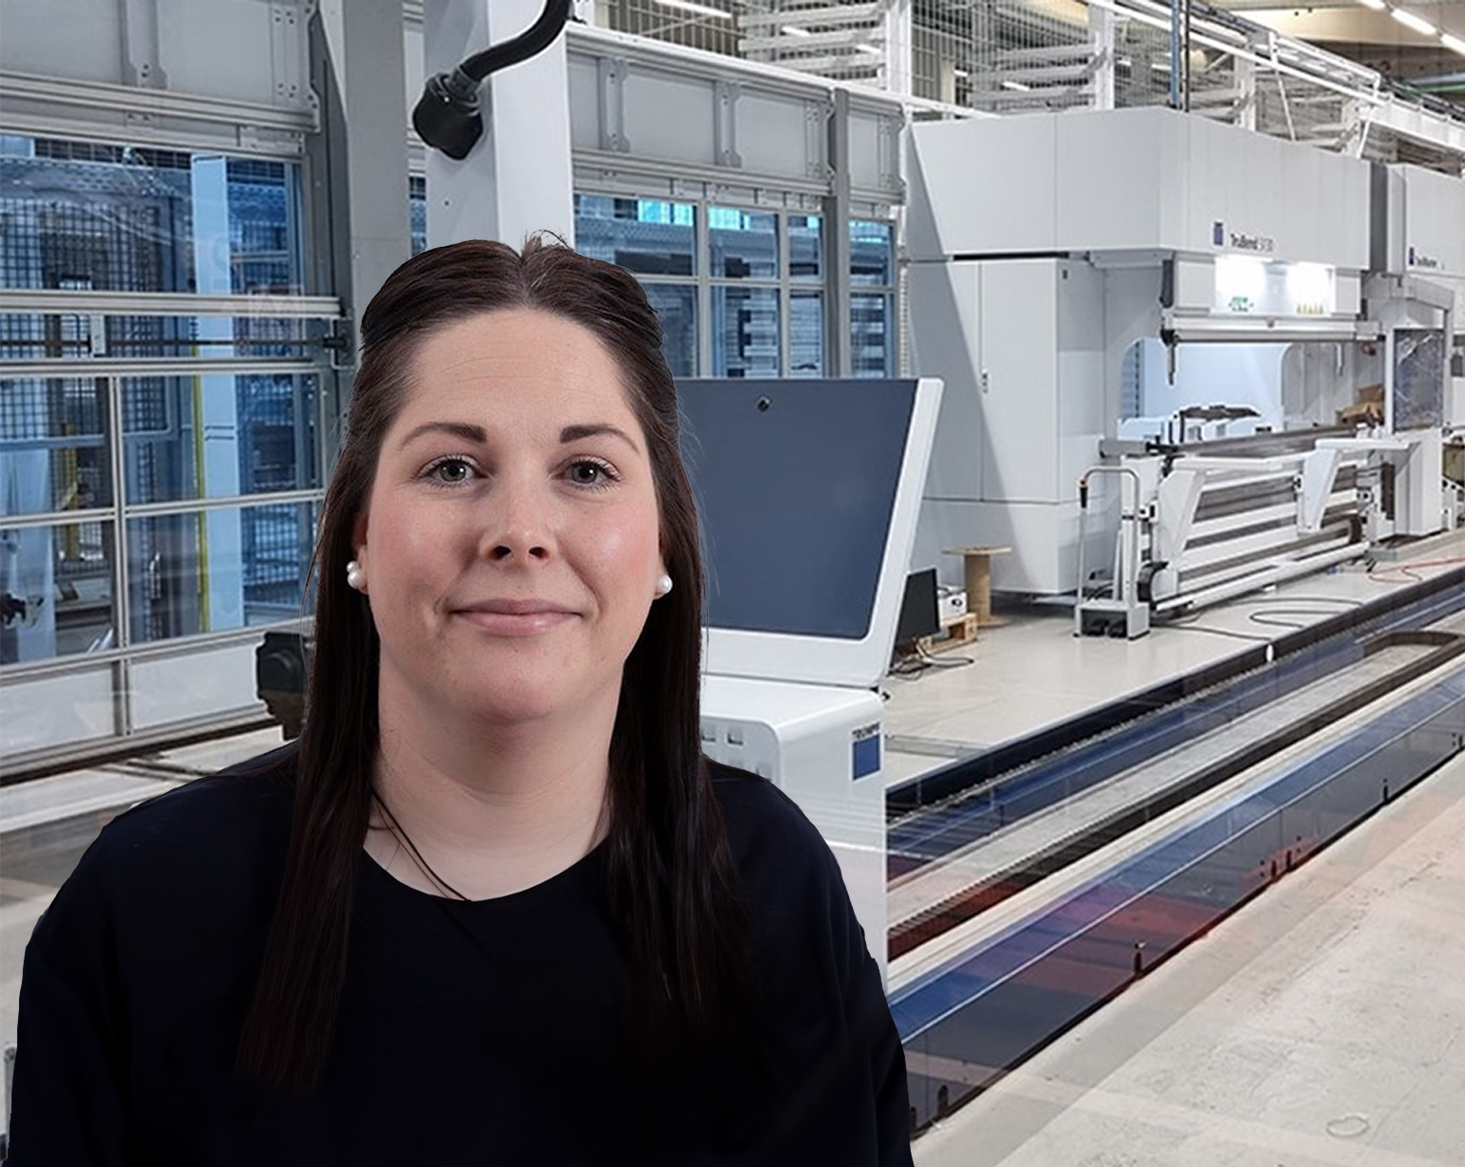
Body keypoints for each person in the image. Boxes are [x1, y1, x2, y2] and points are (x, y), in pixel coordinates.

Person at [9, 237, 912, 1165]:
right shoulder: (149, 908)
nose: (519, 531)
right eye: (451, 467)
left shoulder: (773, 892)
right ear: (361, 534)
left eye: (586, 471)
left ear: (662, 547)